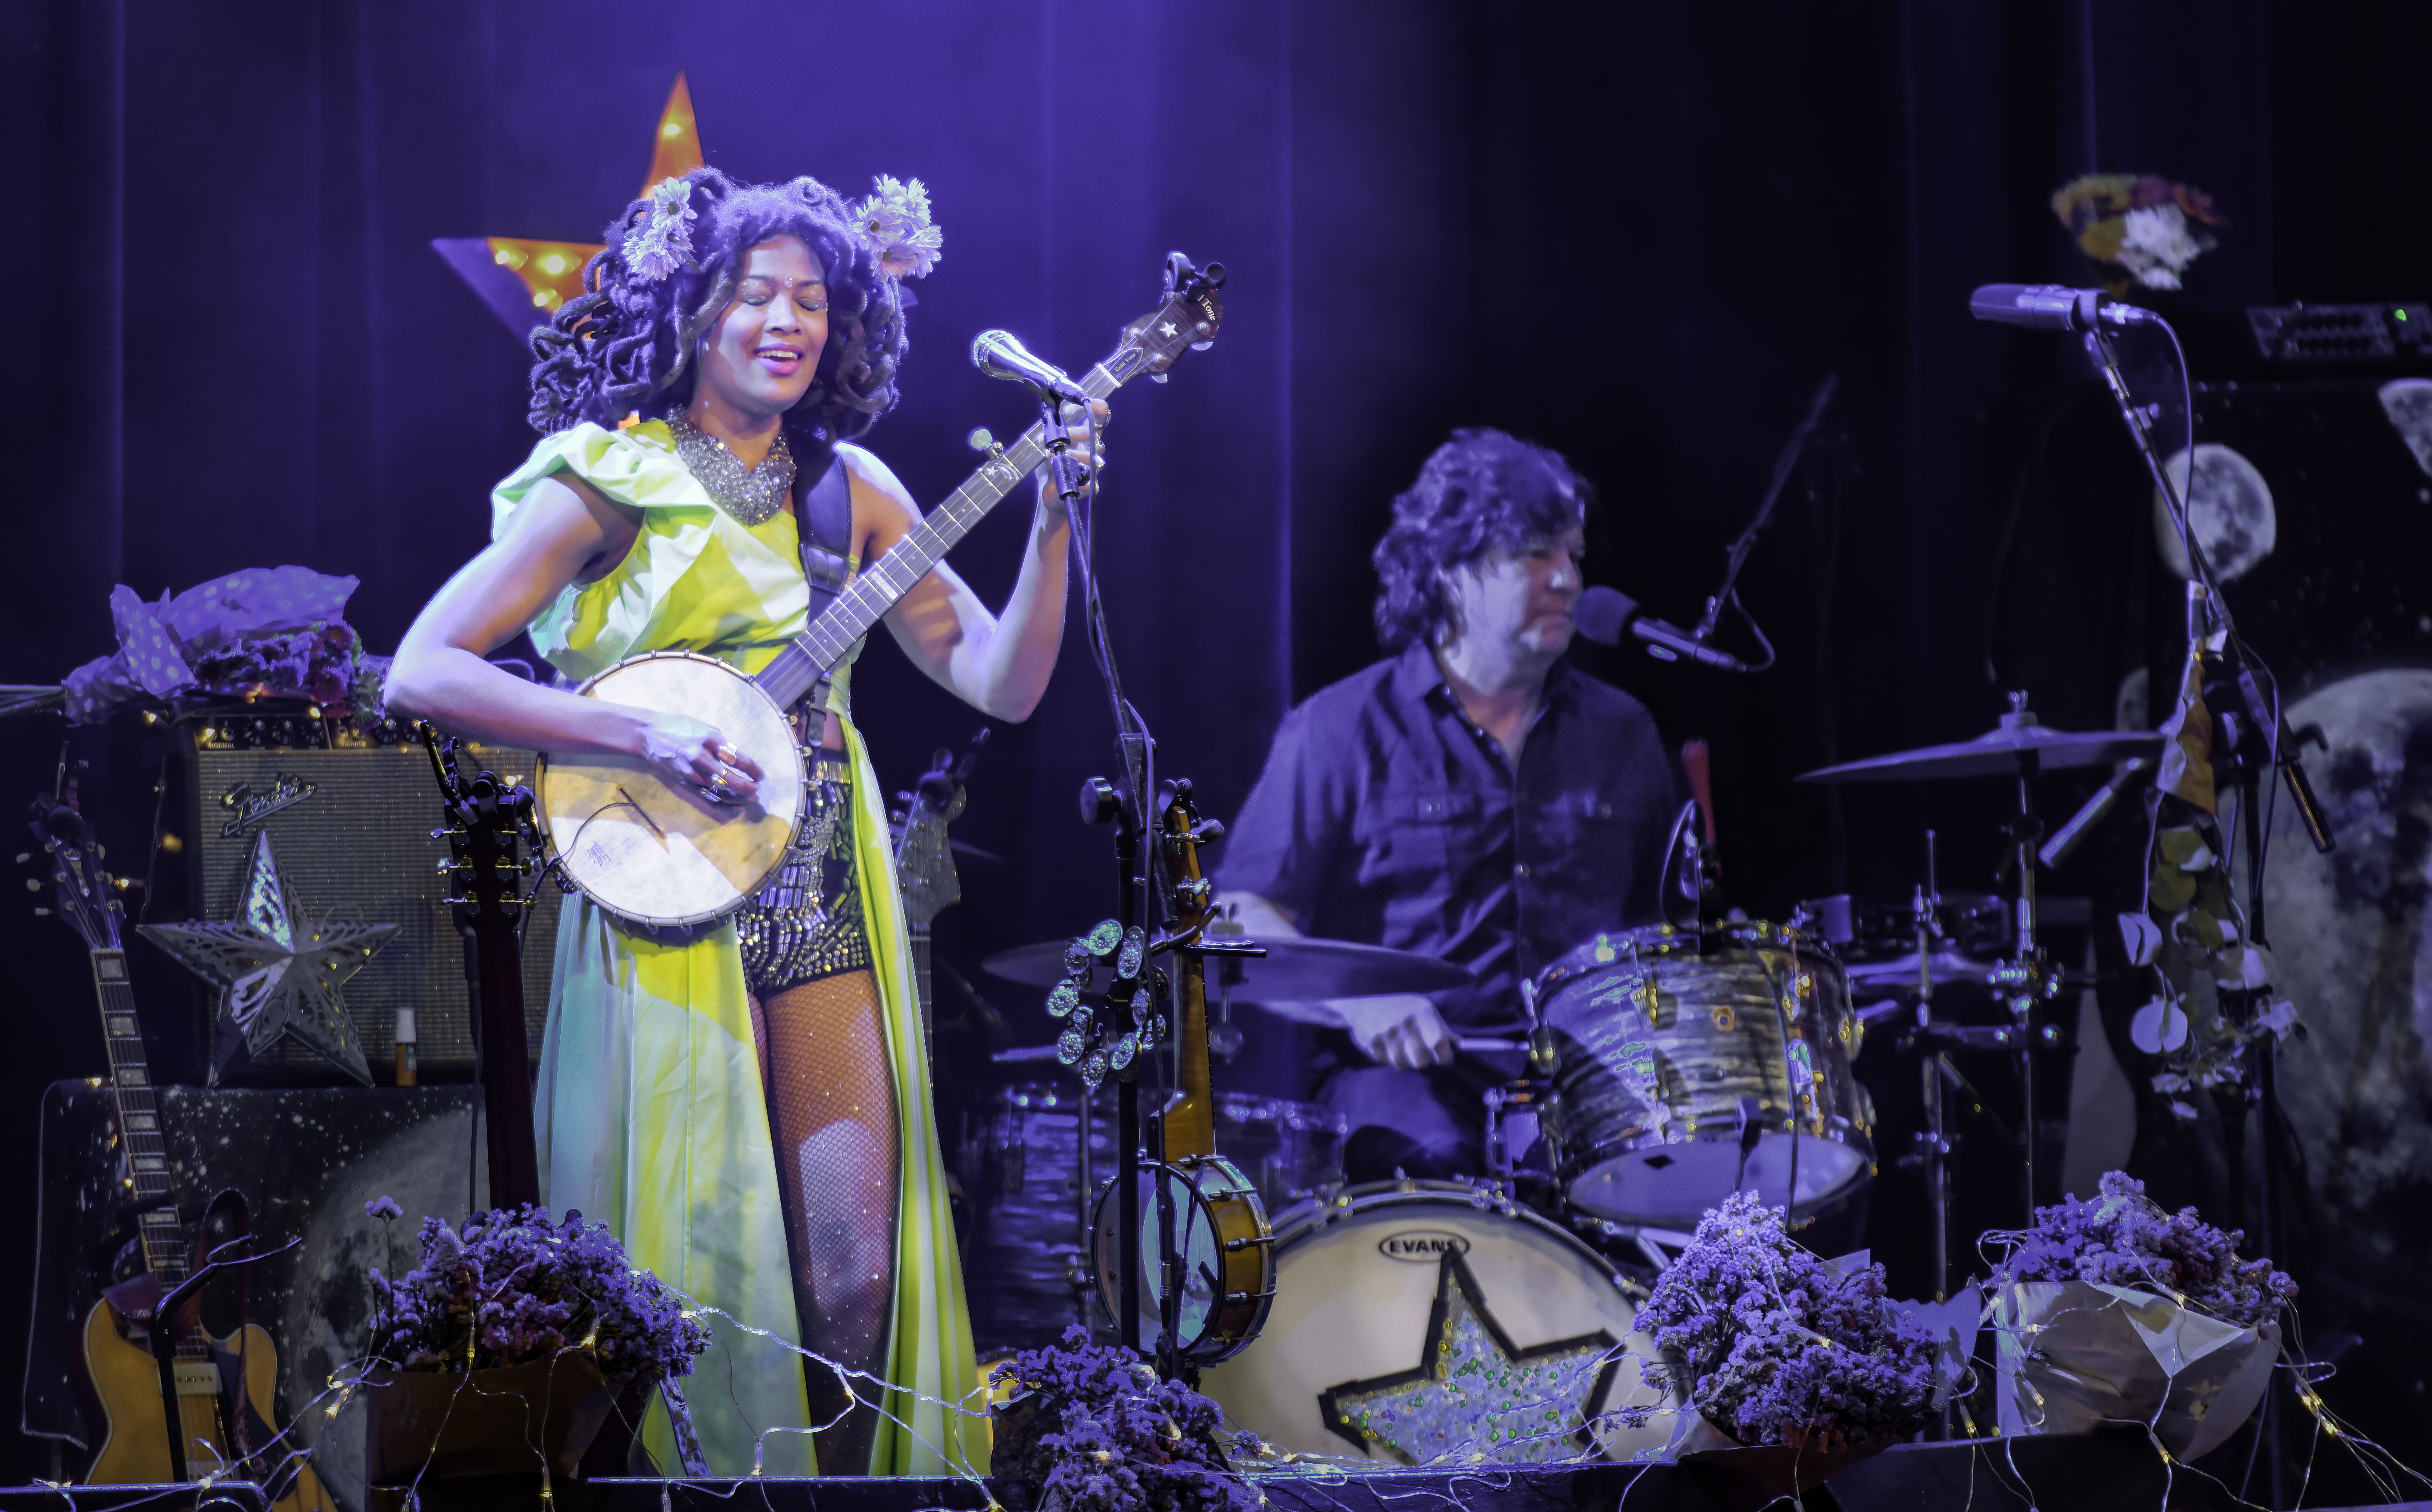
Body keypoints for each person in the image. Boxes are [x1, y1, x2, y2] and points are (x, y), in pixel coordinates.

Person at [388, 169, 1088, 1476]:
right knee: (693, 1252)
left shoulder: (851, 492)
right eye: (755, 293)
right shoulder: (609, 477)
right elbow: (424, 666)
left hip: (818, 884)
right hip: (664, 883)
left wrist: (1050, 516)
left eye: (812, 300)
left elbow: (1005, 682)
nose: (787, 320)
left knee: (850, 1260)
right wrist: (638, 731)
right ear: (692, 311)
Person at [1216, 428, 1678, 1183]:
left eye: (1574, 553)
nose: (1568, 579)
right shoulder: (1339, 729)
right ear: (1451, 569)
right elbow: (1240, 917)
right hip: (1410, 1085)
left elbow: (1665, 931)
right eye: (1535, 554)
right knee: (1431, 1163)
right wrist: (1361, 1004)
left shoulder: (1623, 732)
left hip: (1590, 1085)